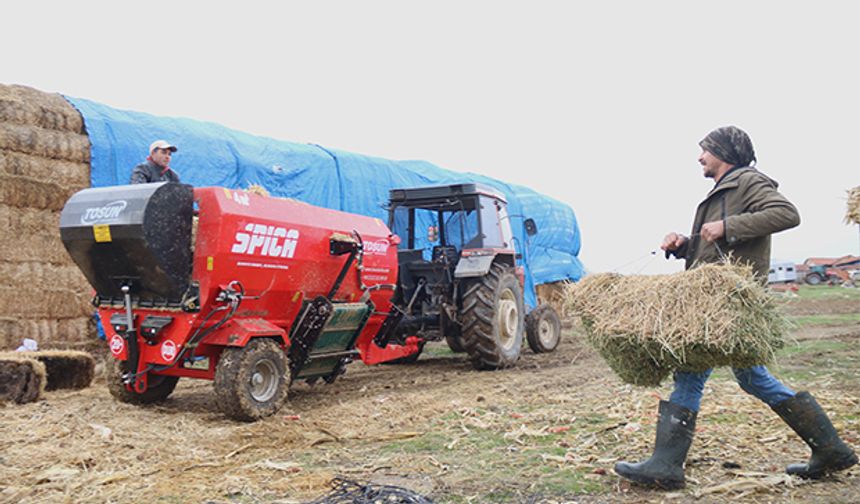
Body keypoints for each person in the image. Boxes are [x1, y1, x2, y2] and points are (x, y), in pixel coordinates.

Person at [614, 126, 857, 489]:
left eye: (705, 151)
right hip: (717, 300)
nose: (699, 158)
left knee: (691, 371)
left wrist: (728, 226)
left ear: (723, 151)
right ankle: (831, 449)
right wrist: (684, 243)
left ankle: (665, 466)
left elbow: (787, 214)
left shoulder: (748, 181)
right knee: (752, 377)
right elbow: (712, 244)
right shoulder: (723, 190)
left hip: (728, 303)